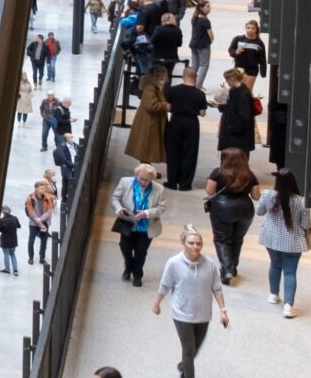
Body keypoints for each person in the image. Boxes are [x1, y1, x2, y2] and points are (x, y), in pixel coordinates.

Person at [156, 226, 229, 378]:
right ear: (183, 244)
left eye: (199, 243)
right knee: (188, 349)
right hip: (182, 314)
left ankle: (183, 366)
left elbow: (217, 288)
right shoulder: (174, 263)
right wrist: (157, 302)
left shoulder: (210, 265)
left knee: (195, 349)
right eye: (191, 243)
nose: (196, 247)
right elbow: (165, 284)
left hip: (203, 314)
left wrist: (223, 310)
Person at [254, 171, 311, 316]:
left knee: (275, 264)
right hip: (293, 242)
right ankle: (288, 306)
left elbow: (259, 212)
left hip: (271, 238)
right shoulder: (302, 201)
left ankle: (273, 294)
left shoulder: (267, 195)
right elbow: (306, 225)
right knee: (290, 272)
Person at [203, 150, 258, 284]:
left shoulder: (217, 173)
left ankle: (227, 270)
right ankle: (233, 267)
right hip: (245, 209)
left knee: (222, 240)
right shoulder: (250, 175)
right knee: (237, 239)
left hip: (222, 208)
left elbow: (209, 191)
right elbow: (256, 196)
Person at [155, 63, 207, 192]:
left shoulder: (173, 90)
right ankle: (185, 184)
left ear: (183, 76)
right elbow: (202, 113)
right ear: (196, 77)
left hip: (176, 121)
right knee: (189, 153)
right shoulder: (200, 94)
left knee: (173, 151)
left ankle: (172, 181)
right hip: (192, 124)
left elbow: (167, 106)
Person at [110, 163, 161, 285]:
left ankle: (137, 274)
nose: (143, 182)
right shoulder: (125, 182)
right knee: (125, 247)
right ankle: (128, 266)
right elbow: (115, 198)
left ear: (151, 179)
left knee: (141, 252)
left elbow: (162, 208)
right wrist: (118, 209)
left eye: (146, 180)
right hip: (128, 222)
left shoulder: (158, 189)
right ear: (137, 175)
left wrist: (146, 213)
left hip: (145, 226)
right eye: (141, 178)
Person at [24, 177, 57, 265]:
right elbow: (30, 212)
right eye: (41, 188)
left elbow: (49, 211)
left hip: (44, 222)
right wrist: (38, 221)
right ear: (36, 188)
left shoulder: (47, 198)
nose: (43, 190)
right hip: (33, 223)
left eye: (44, 188)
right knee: (31, 240)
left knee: (44, 241)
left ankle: (42, 258)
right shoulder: (30, 198)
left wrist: (41, 220)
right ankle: (30, 257)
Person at [0, 205, 21, 275]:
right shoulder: (15, 218)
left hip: (5, 240)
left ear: (3, 212)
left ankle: (7, 269)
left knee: (6, 254)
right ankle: (15, 270)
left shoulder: (2, 220)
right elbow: (19, 226)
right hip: (13, 240)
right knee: (12, 254)